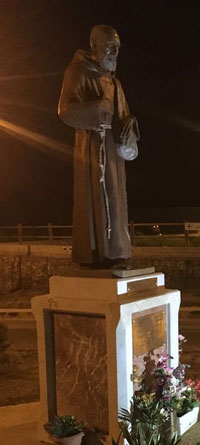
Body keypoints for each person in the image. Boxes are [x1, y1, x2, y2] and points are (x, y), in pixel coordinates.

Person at [58, 25, 139, 267]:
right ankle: (93, 255)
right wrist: (97, 110)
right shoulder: (77, 72)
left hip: (114, 156)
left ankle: (116, 253)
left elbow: (125, 121)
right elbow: (65, 110)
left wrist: (128, 130)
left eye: (117, 48)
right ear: (95, 45)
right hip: (91, 149)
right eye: (110, 46)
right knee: (93, 201)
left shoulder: (116, 85)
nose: (115, 52)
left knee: (116, 204)